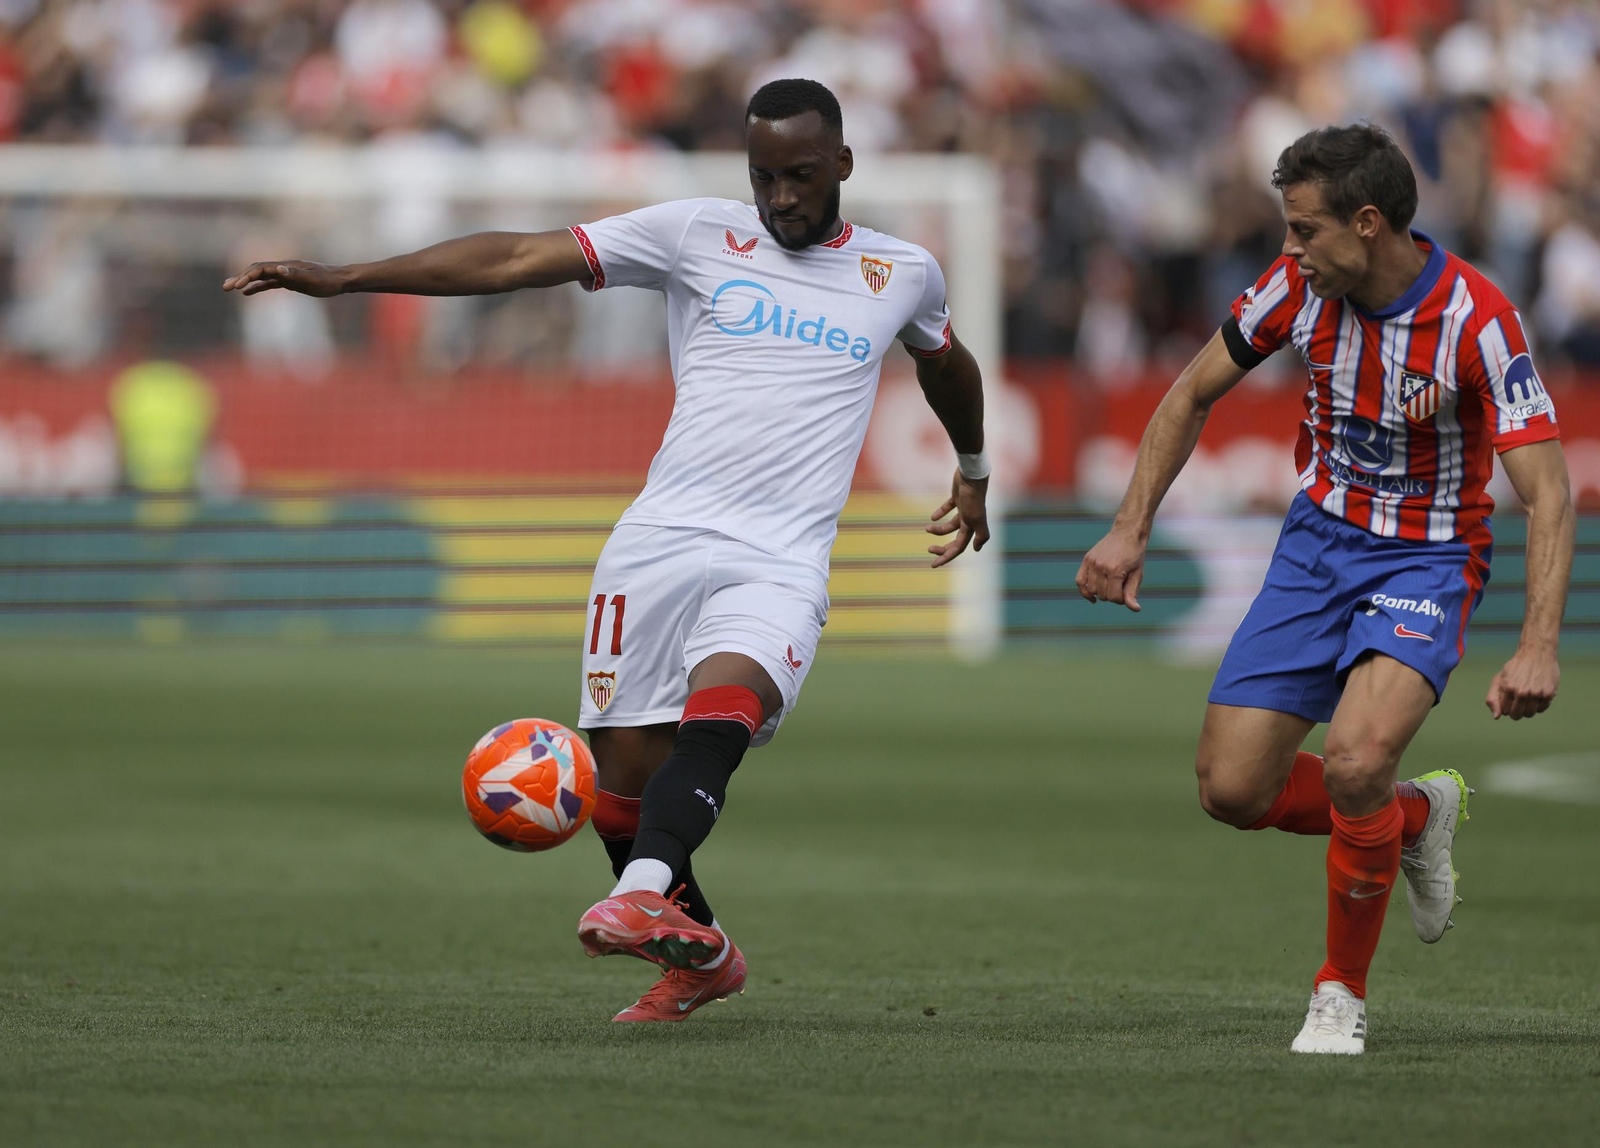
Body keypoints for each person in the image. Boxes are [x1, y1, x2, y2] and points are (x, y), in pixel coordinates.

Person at [224, 78, 990, 1023]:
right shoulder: (696, 233)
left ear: (841, 164)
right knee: (620, 791)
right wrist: (345, 278)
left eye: (798, 176)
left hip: (782, 557)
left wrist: (975, 465)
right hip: (660, 540)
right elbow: (514, 257)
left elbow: (946, 361)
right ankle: (700, 955)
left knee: (723, 715)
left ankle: (641, 896)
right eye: (763, 177)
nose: (781, 197)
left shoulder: (901, 270)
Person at [1075, 124, 1573, 1055]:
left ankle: (1339, 992)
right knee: (1231, 788)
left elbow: (1548, 491)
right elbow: (1190, 393)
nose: (1292, 249)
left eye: (1306, 231)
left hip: (1427, 560)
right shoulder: (1295, 289)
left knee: (1353, 761)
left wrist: (1538, 643)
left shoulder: (1479, 319)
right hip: (1316, 547)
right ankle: (1417, 815)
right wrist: (1130, 524)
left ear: (1370, 223)